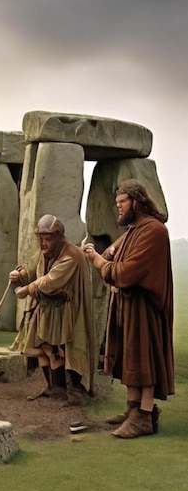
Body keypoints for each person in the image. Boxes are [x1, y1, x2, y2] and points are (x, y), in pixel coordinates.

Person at [84, 179, 174, 438]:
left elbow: (125, 271)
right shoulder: (135, 230)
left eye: (121, 202)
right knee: (131, 356)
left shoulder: (153, 230)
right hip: (129, 305)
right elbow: (114, 252)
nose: (119, 208)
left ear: (136, 201)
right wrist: (102, 254)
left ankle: (144, 416)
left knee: (143, 358)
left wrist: (97, 260)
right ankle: (133, 409)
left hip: (144, 308)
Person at [9, 214, 95, 405]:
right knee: (44, 349)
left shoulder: (71, 255)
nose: (43, 243)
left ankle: (75, 392)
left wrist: (28, 289)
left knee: (67, 351)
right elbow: (32, 269)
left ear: (59, 237)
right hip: (48, 311)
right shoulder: (45, 252)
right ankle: (54, 388)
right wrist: (20, 275)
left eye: (47, 239)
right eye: (41, 238)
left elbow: (51, 281)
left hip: (68, 313)